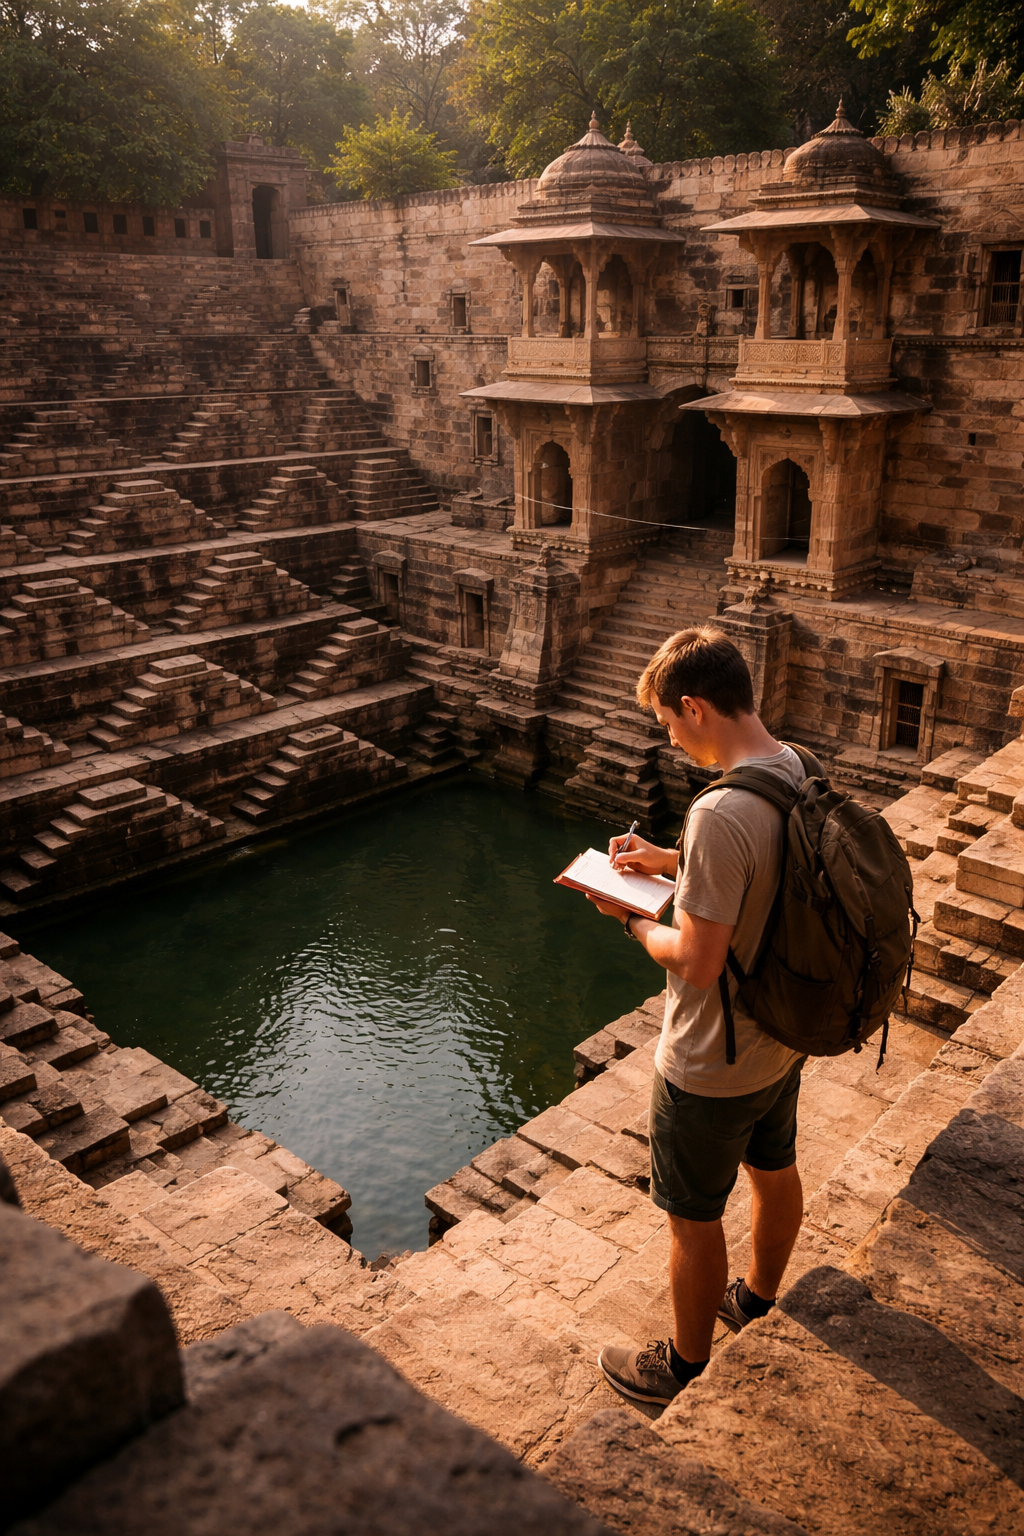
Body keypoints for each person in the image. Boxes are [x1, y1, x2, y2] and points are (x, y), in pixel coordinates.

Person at [587, 626, 807, 1406]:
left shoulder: (720, 812)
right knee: (774, 1170)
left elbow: (697, 959)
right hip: (780, 1039)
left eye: (670, 724)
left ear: (694, 706)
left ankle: (679, 1368)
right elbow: (762, 868)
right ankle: (755, 1298)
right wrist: (666, 860)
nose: (673, 741)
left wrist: (632, 919)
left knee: (692, 1217)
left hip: (712, 1060)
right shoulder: (791, 768)